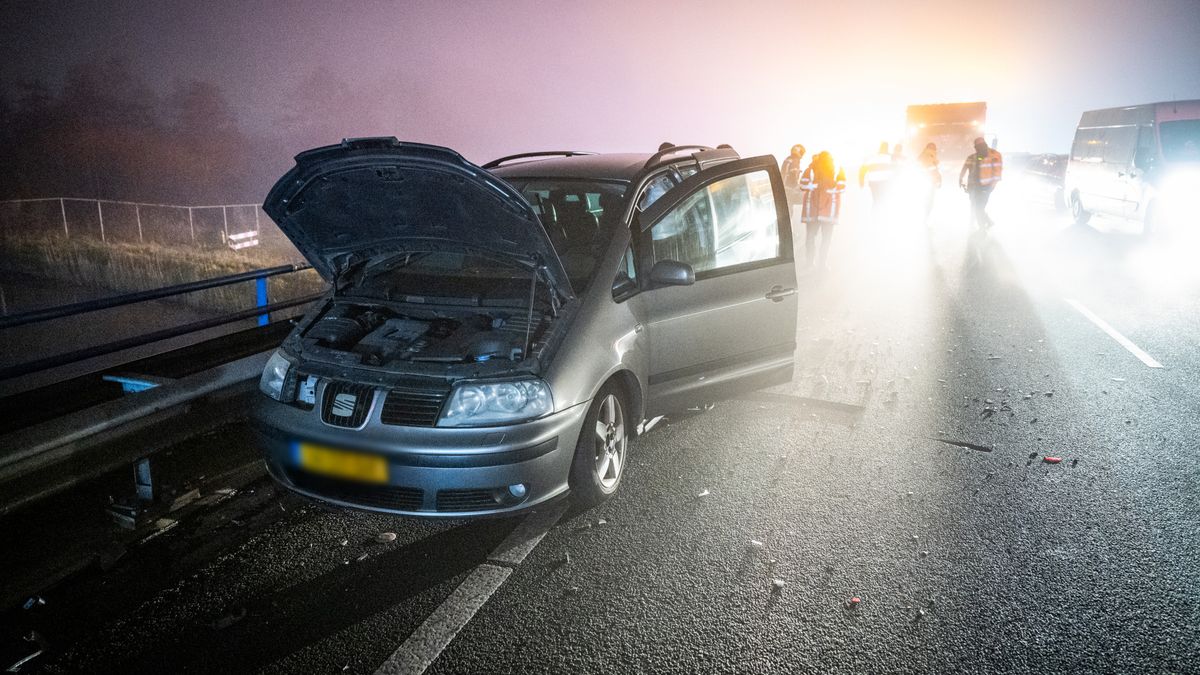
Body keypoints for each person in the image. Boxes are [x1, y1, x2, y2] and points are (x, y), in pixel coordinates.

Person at [799, 151, 846, 270]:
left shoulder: (811, 169)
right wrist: (821, 185)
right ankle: (822, 265)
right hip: (829, 211)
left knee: (811, 238)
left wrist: (816, 186)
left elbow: (803, 185)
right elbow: (842, 187)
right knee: (826, 239)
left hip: (813, 211)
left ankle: (811, 264)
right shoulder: (836, 169)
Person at [959, 136, 1002, 229]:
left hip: (986, 187)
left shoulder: (994, 155)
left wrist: (992, 186)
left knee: (978, 207)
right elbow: (966, 167)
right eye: (977, 147)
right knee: (975, 206)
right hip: (974, 186)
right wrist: (961, 178)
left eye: (979, 146)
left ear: (984, 145)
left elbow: (997, 172)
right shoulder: (974, 157)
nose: (978, 149)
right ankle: (981, 222)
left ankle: (983, 225)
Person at [859, 141, 894, 224]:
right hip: (885, 183)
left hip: (873, 183)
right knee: (882, 200)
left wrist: (861, 181)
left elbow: (862, 170)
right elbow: (896, 170)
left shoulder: (872, 157)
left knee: (876, 200)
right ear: (887, 148)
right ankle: (881, 219)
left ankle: (874, 218)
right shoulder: (890, 158)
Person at [780, 144, 807, 223]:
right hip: (789, 190)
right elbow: (793, 177)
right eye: (802, 153)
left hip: (785, 189)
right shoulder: (795, 160)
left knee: (788, 209)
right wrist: (798, 187)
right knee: (808, 198)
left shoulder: (788, 159)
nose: (802, 155)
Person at [917, 142, 941, 224]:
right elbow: (934, 169)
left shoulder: (921, 155)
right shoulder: (932, 155)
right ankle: (925, 218)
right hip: (930, 182)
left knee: (923, 199)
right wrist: (939, 179)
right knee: (930, 200)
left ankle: (922, 217)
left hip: (921, 181)